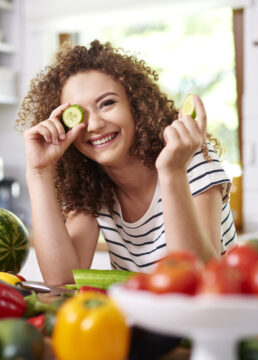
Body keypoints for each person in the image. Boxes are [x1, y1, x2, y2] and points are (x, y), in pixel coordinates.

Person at [16, 40, 237, 285]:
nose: (95, 125)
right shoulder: (92, 188)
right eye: (79, 114)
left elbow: (197, 279)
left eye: (107, 103)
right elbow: (62, 280)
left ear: (135, 105)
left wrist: (172, 172)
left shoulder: (190, 160)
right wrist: (39, 172)